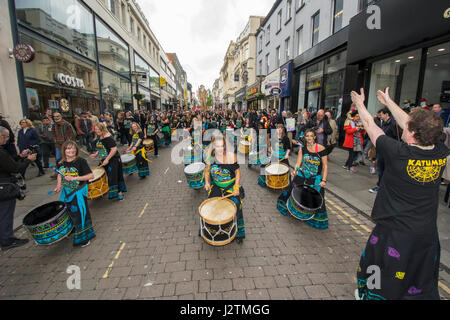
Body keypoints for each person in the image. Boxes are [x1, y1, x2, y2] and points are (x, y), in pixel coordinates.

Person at [351, 87, 447, 300]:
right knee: (416, 278)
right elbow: (418, 125)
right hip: (425, 234)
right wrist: (388, 101)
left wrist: (359, 104)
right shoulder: (439, 149)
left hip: (394, 233)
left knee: (379, 270)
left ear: (412, 133)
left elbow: (370, 125)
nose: (402, 125)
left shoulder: (399, 153)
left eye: (407, 126)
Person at [277, 128, 329, 229]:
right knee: (291, 189)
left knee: (318, 198)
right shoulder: (303, 149)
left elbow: (325, 166)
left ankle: (312, 217)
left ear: (314, 137)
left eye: (311, 136)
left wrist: (324, 180)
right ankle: (291, 208)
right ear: (304, 137)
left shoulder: (321, 148)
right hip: (302, 174)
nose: (309, 138)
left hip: (315, 178)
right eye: (307, 136)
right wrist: (296, 169)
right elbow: (298, 162)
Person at [0, 126, 36, 251]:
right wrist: (28, 160)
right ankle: (7, 240)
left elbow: (9, 163)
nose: (6, 140)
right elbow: (15, 168)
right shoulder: (0, 152)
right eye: (5, 137)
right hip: (4, 188)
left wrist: (21, 156)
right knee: (5, 213)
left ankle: (5, 237)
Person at [54, 141, 96, 247]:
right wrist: (59, 185)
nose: (71, 151)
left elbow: (91, 176)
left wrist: (75, 178)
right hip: (66, 192)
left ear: (76, 150)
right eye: (68, 148)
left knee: (80, 214)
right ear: (64, 151)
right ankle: (74, 229)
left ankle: (84, 237)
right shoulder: (61, 161)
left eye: (73, 148)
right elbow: (59, 174)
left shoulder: (81, 161)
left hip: (79, 192)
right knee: (68, 212)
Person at [204, 136, 245, 244]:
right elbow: (207, 171)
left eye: (222, 146)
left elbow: (237, 173)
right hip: (217, 186)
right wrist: (207, 183)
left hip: (231, 186)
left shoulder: (232, 157)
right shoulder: (210, 158)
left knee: (236, 204)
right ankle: (212, 230)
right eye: (217, 146)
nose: (220, 149)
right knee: (210, 205)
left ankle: (239, 233)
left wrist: (236, 187)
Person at [91, 123, 127, 200]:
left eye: (98, 129)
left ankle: (119, 192)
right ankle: (114, 191)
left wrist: (107, 159)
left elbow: (114, 149)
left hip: (113, 159)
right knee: (110, 176)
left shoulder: (107, 137)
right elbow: (102, 147)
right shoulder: (100, 136)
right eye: (96, 129)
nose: (97, 131)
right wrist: (96, 154)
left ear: (102, 129)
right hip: (104, 159)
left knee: (115, 176)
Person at [369, 108, 399, 193]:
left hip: (388, 150)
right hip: (382, 149)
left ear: (386, 114)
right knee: (380, 168)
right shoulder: (385, 123)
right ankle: (381, 186)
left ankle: (381, 187)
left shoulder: (393, 124)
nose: (380, 116)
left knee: (383, 169)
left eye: (381, 114)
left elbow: (395, 137)